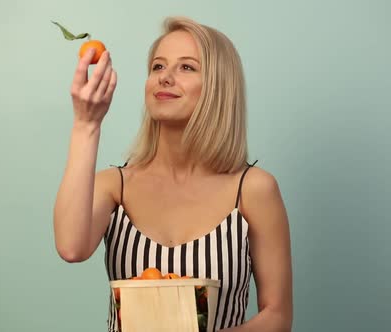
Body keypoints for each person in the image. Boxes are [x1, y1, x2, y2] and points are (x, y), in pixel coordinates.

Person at [53, 16, 293, 332]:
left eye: (187, 67)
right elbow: (71, 247)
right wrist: (86, 125)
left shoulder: (254, 189)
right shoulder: (115, 186)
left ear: (219, 88)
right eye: (158, 67)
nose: (165, 78)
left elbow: (277, 316)